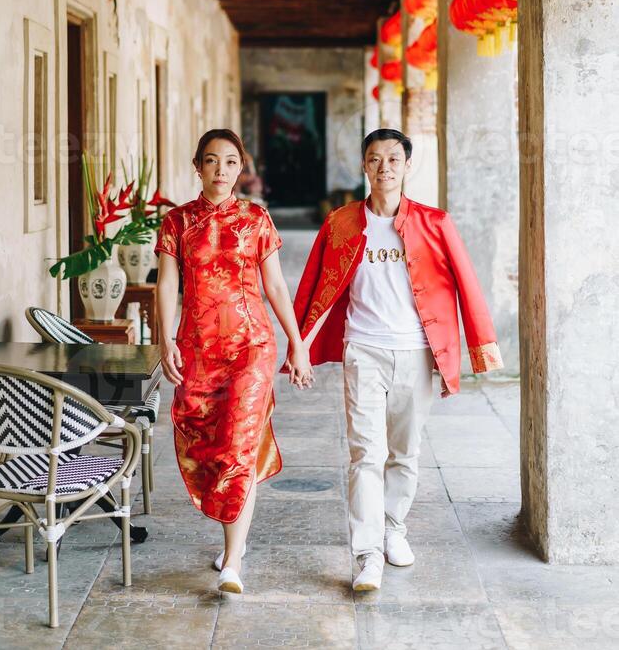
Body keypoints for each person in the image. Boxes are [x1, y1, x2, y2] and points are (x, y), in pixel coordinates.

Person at [286, 128, 503, 592]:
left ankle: (393, 528)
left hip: (417, 352)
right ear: (363, 166)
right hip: (363, 349)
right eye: (374, 159)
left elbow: (467, 283)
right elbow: (313, 287)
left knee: (405, 453)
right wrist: (299, 345)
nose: (383, 167)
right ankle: (367, 555)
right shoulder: (341, 223)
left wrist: (477, 349)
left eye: (392, 159)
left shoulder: (435, 223)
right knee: (366, 453)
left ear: (407, 166)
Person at [155, 129, 313, 594]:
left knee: (237, 445)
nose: (220, 170)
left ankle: (233, 562)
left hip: (251, 347)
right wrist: (165, 340)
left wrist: (296, 344)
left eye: (230, 162)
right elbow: (168, 285)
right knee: (207, 446)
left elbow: (276, 287)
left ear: (240, 168)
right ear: (197, 166)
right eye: (211, 161)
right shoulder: (177, 222)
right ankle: (231, 544)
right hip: (198, 348)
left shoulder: (256, 220)